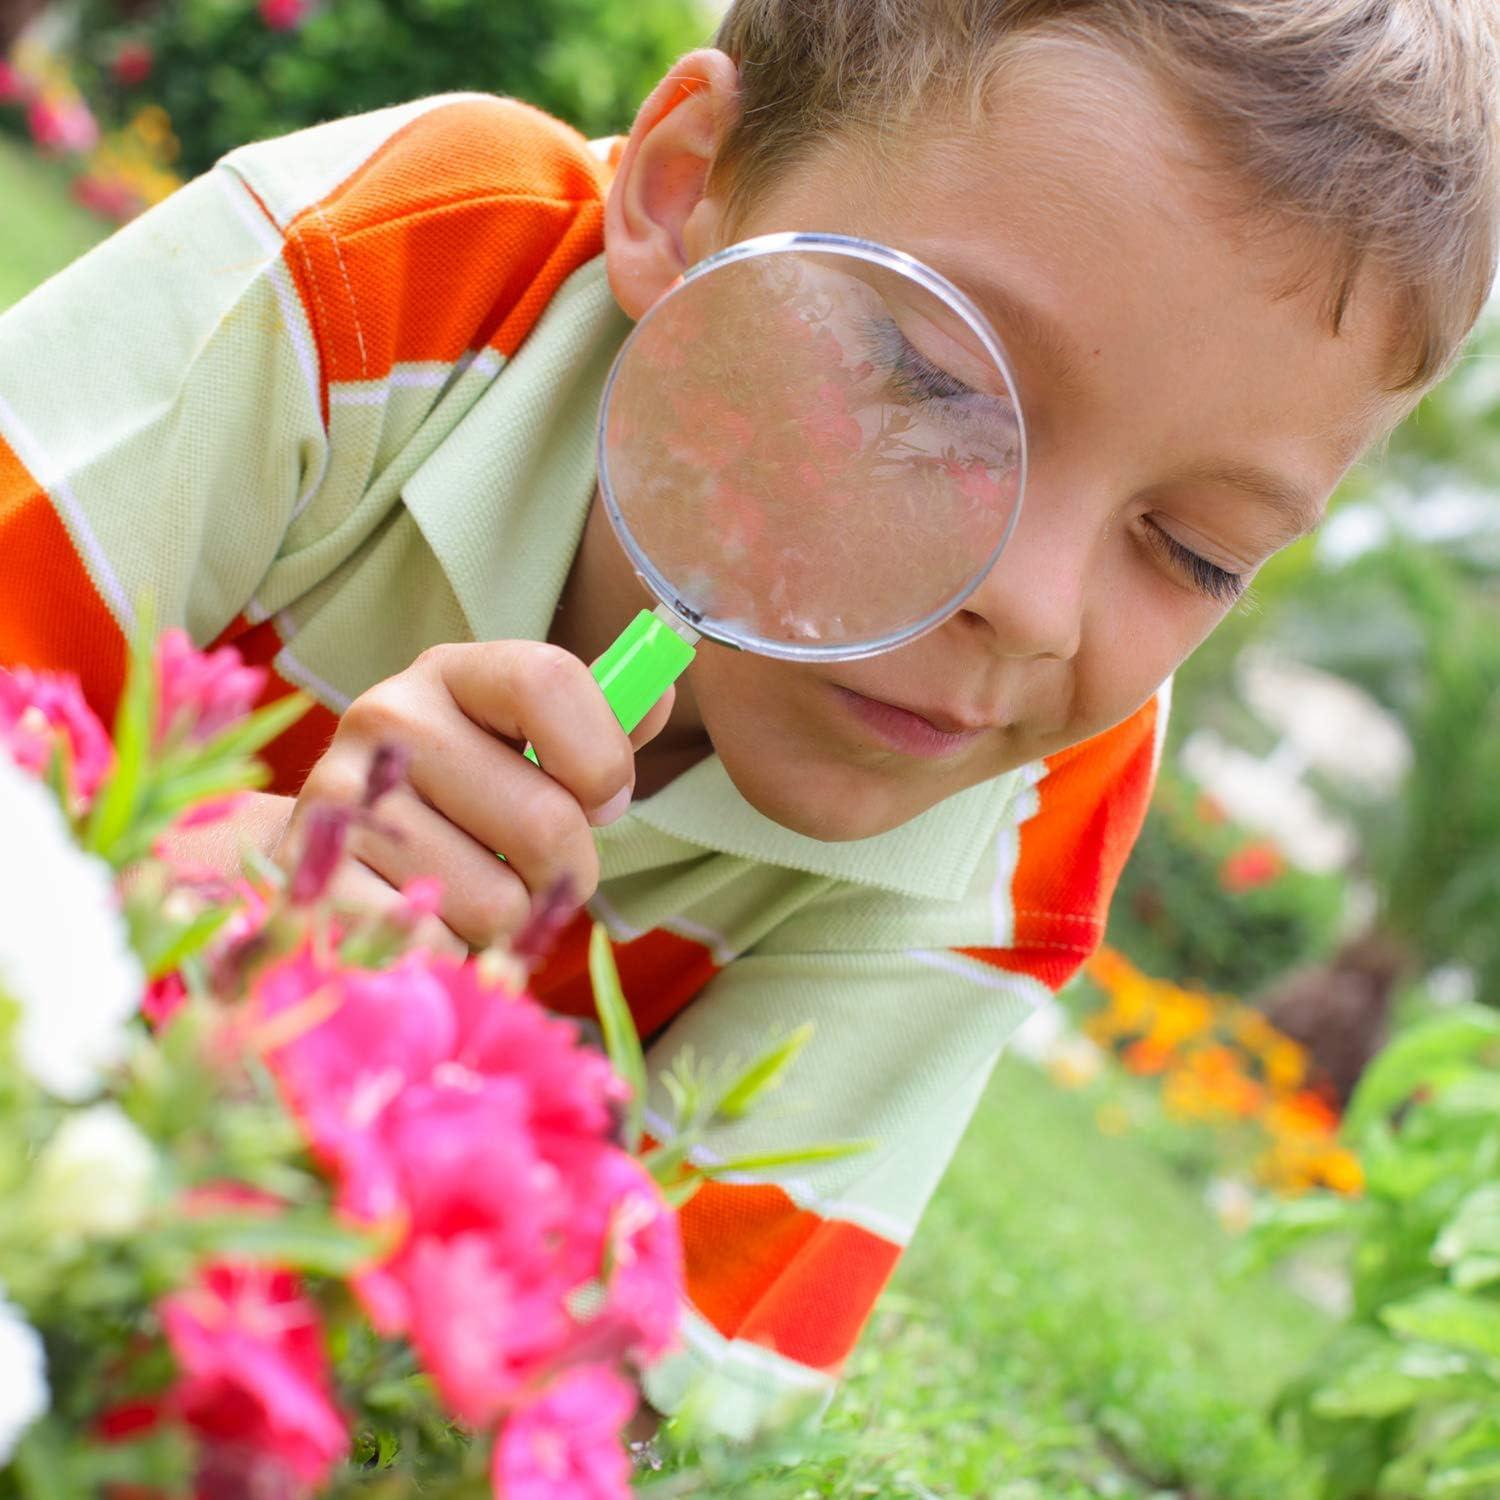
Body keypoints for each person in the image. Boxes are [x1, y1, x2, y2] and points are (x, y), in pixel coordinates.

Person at [1, 0, 1495, 1434]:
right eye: (938, 385)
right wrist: (138, 908)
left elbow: (649, 1395)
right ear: (684, 187)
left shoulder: (1044, 791)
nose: (1035, 610)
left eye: (1199, 553)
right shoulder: (390, 270)